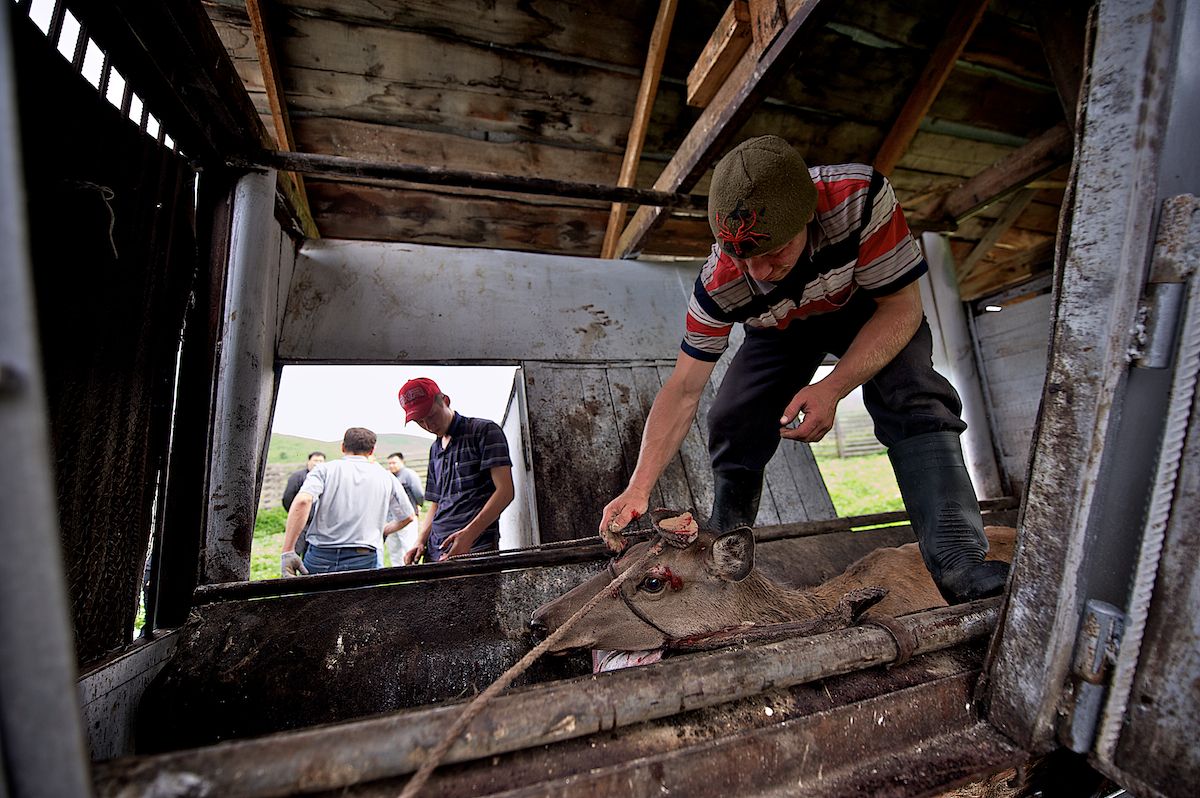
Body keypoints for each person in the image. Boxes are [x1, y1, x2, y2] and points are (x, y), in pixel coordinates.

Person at [598, 135, 1008, 604]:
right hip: (779, 330)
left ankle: (958, 559)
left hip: (870, 306)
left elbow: (902, 307)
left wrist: (832, 388)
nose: (759, 270)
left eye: (774, 252)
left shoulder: (859, 199)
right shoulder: (720, 281)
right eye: (742, 256)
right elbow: (685, 387)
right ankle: (725, 545)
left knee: (911, 391)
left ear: (809, 214)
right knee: (732, 416)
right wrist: (638, 486)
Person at [397, 378, 514, 563]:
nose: (428, 425)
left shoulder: (483, 431)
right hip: (435, 550)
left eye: (432, 415)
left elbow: (505, 492)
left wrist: (469, 534)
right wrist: (420, 540)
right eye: (420, 421)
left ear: (445, 400)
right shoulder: (435, 449)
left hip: (475, 547)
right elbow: (436, 503)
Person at [280, 428, 416, 576]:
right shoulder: (386, 477)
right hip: (364, 557)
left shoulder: (323, 470)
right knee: (361, 600)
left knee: (318, 599)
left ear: (343, 447)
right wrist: (383, 530)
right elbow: (408, 516)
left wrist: (288, 551)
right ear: (372, 451)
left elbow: (303, 501)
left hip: (321, 556)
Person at [383, 451, 425, 566]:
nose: (392, 465)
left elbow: (419, 493)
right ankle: (398, 573)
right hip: (390, 519)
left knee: (409, 545)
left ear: (402, 462)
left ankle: (413, 571)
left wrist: (418, 506)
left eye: (394, 463)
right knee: (394, 549)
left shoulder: (409, 474)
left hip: (408, 516)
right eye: (390, 463)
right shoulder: (388, 477)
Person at [281, 450, 325, 557]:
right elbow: (287, 497)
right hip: (301, 522)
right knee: (294, 551)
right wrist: (296, 513)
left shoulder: (326, 477)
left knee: (311, 554)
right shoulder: (297, 476)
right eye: (315, 460)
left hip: (318, 524)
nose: (317, 463)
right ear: (309, 461)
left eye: (320, 461)